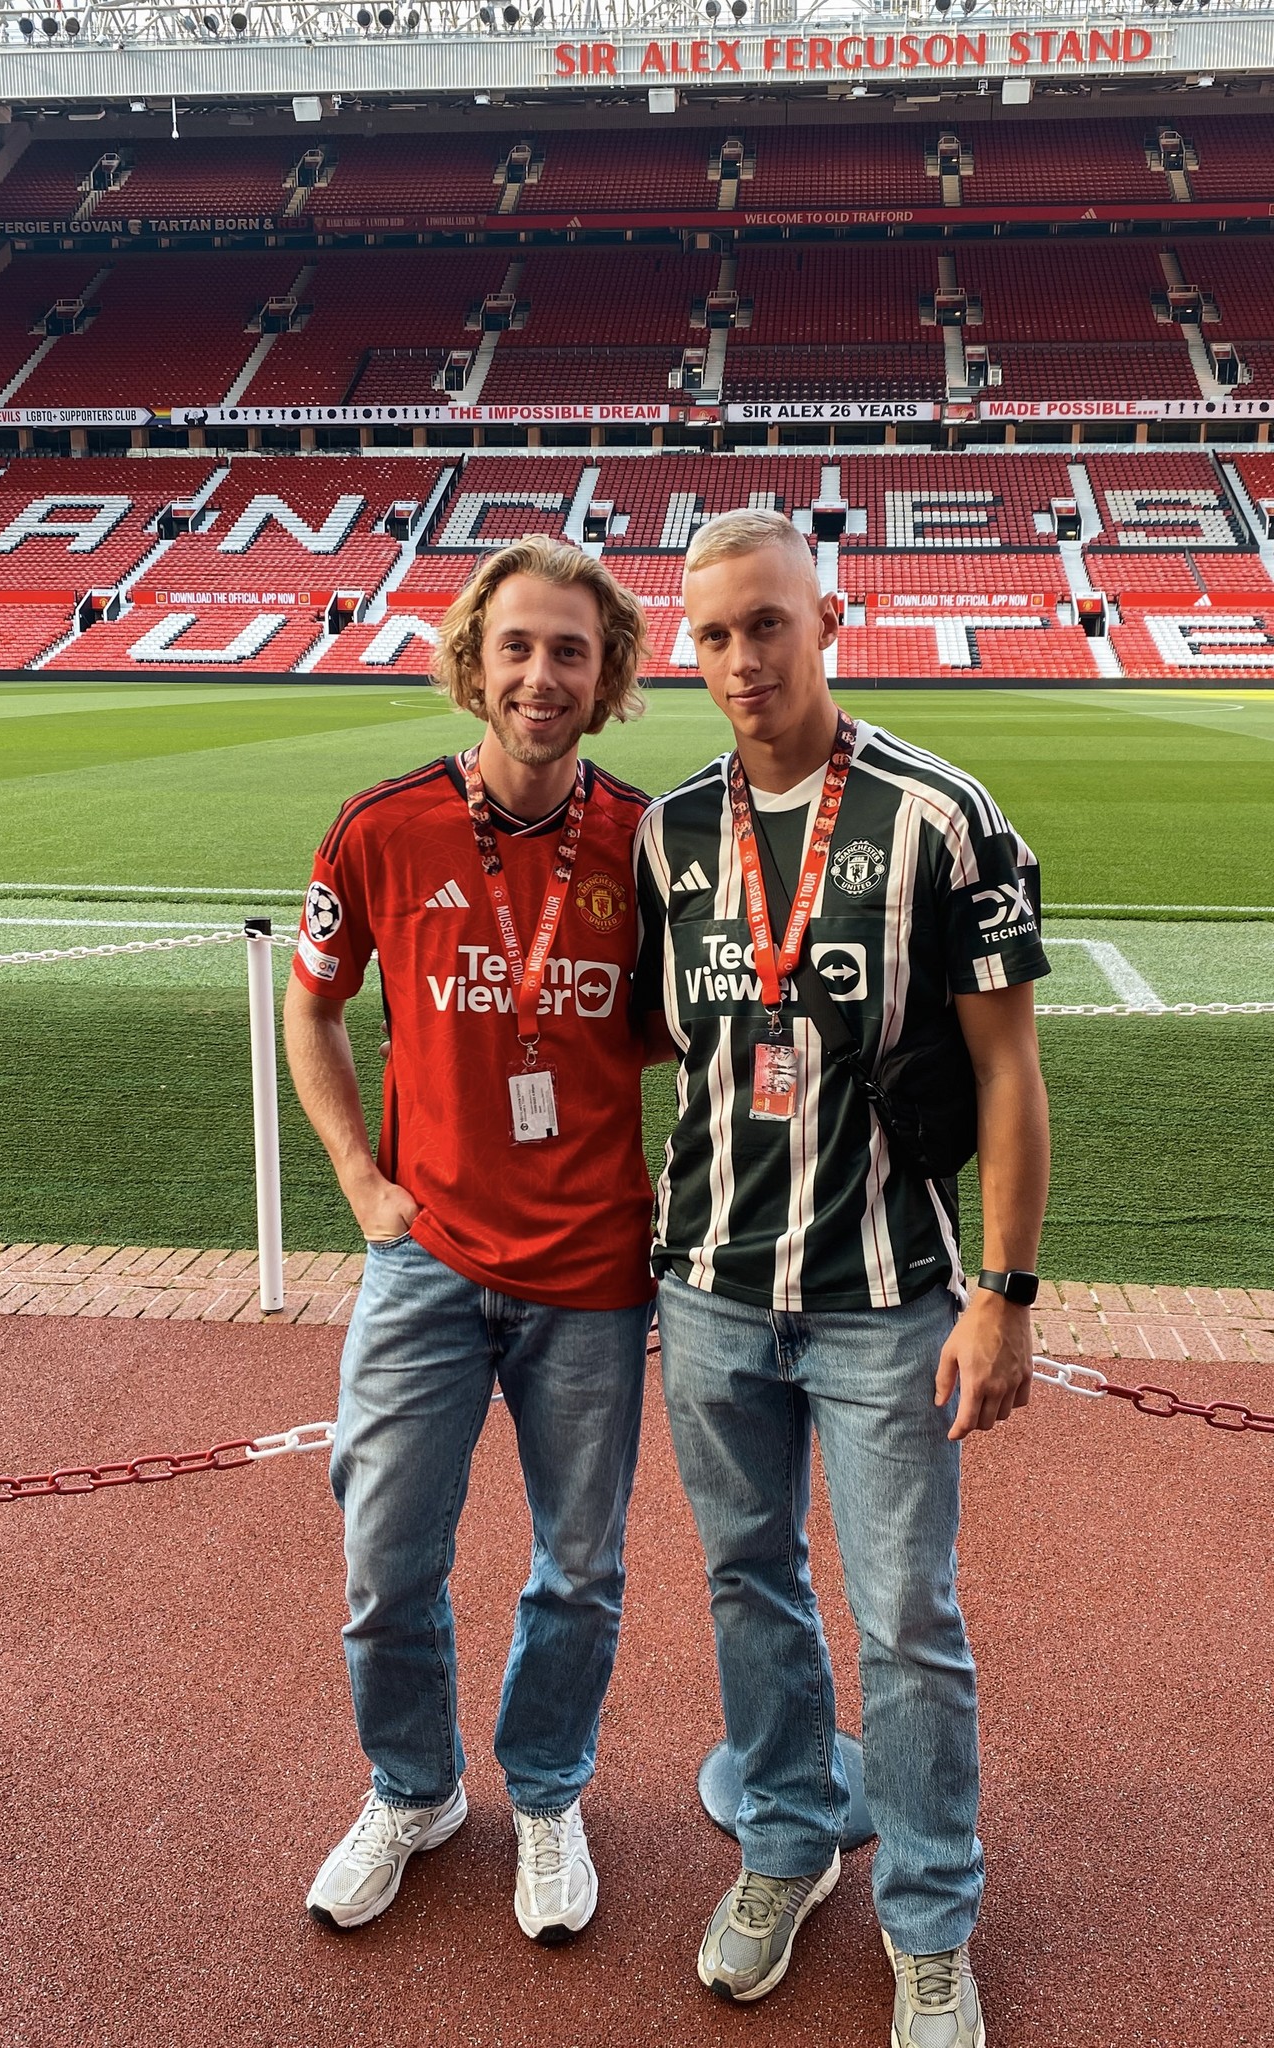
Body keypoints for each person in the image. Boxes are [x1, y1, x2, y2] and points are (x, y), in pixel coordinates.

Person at [634, 509, 1050, 2045]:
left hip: (888, 1298)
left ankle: (931, 1920)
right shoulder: (668, 833)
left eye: (769, 624)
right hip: (712, 1295)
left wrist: (1002, 1290)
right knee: (749, 1590)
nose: (743, 658)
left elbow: (1009, 1076)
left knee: (905, 1619)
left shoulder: (941, 815)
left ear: (829, 622)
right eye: (715, 633)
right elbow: (654, 1058)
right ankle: (790, 1842)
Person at [285, 536, 655, 1945]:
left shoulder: (646, 840)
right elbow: (310, 1007)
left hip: (595, 1274)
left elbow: (692, 1022)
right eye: (518, 647)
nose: (542, 676)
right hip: (425, 1258)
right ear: (474, 660)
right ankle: (415, 1789)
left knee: (580, 1568)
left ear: (607, 671)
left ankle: (548, 1792)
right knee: (385, 1559)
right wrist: (361, 1184)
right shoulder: (380, 828)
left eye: (571, 650)